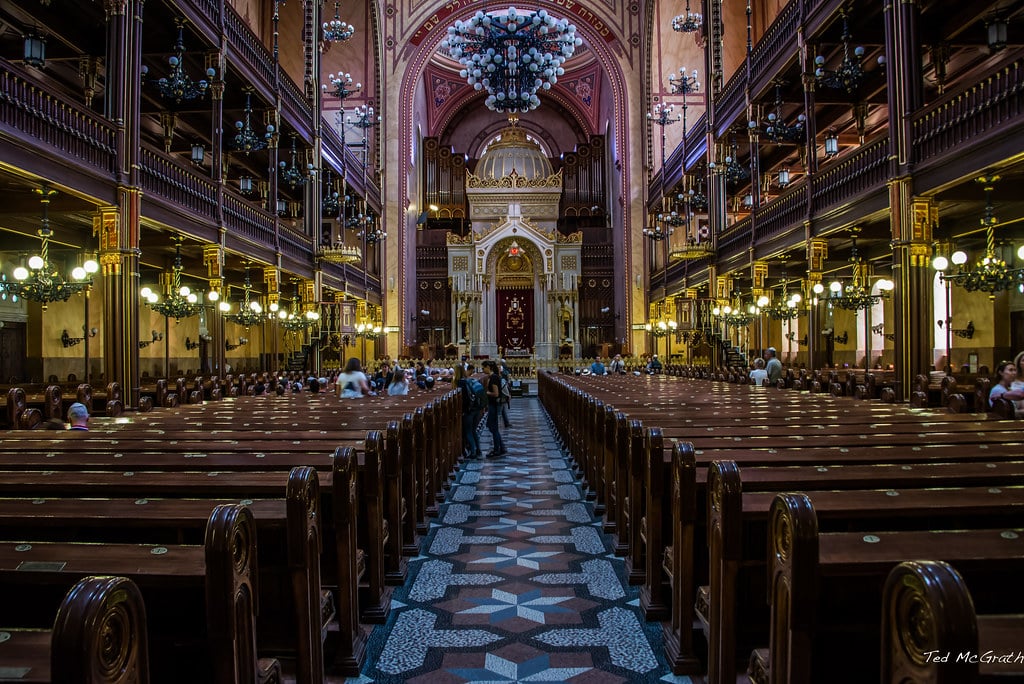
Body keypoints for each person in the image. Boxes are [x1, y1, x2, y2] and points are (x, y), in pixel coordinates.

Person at [454, 365, 483, 458]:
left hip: (468, 410)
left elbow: (465, 399)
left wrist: (463, 410)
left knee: (468, 432)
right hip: (475, 408)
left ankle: (473, 452)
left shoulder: (460, 383)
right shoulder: (468, 380)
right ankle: (478, 450)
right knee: (473, 431)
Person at [482, 360, 506, 457]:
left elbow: (496, 394)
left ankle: (497, 450)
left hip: (494, 405)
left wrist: (486, 393)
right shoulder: (492, 377)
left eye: (484, 368)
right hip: (492, 405)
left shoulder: (494, 378)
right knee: (492, 427)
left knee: (493, 428)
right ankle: (501, 448)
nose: (483, 370)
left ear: (488, 367)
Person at [499, 361, 512, 428]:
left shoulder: (501, 378)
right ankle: (506, 423)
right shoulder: (504, 373)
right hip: (503, 395)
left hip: (502, 395)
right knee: (503, 409)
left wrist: (508, 394)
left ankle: (499, 425)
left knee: (501, 410)